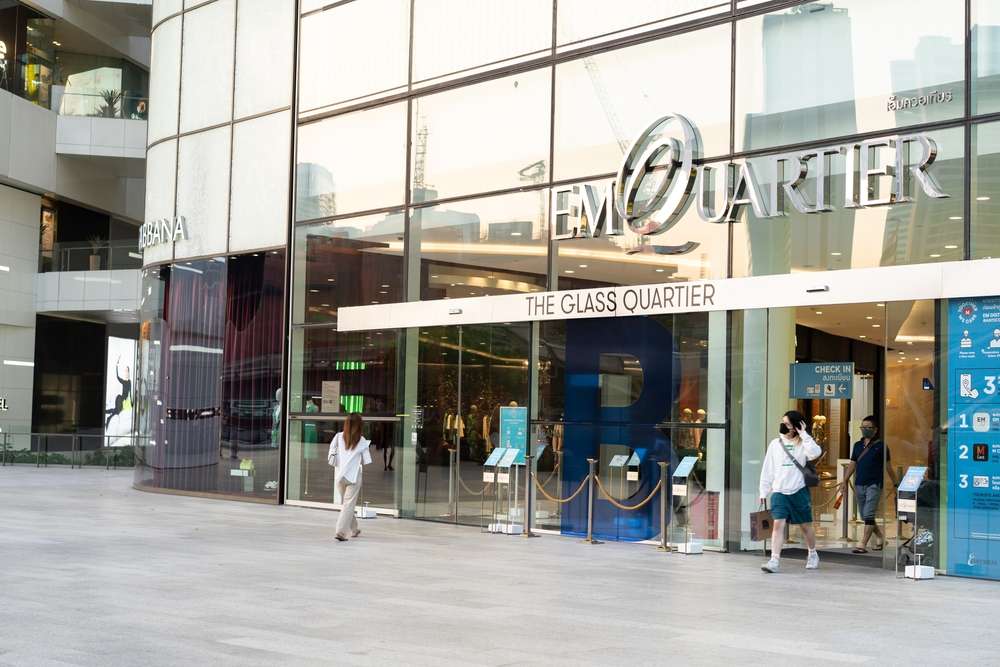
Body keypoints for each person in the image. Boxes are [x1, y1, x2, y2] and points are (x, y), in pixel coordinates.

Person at [759, 410, 823, 573]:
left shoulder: (803, 443)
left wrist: (805, 435)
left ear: (796, 426)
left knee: (805, 526)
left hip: (799, 490)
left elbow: (815, 454)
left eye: (787, 424)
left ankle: (812, 553)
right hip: (779, 491)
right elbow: (768, 469)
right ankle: (774, 560)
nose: (783, 426)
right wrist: (763, 491)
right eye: (783, 422)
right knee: (778, 524)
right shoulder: (775, 444)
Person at [838, 415, 899, 554]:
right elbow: (852, 463)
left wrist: (896, 483)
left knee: (869, 513)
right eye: (863, 427)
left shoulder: (881, 446)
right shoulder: (857, 445)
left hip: (874, 484)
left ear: (875, 430)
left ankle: (862, 543)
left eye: (868, 427)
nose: (865, 430)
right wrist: (845, 480)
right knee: (865, 515)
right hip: (859, 483)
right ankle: (881, 537)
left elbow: (888, 466)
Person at [327, 413, 373, 541]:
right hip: (353, 477)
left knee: (347, 505)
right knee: (348, 505)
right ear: (360, 426)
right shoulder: (362, 441)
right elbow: (366, 460)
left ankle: (355, 529)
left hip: (340, 477)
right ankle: (340, 532)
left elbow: (332, 453)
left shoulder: (338, 437)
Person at [105, 358, 131, 429]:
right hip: (120, 399)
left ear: (129, 372)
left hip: (123, 401)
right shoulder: (123, 381)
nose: (126, 372)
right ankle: (108, 417)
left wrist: (130, 402)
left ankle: (107, 416)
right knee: (116, 411)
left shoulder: (129, 382)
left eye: (127, 371)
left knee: (115, 411)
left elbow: (130, 393)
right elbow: (117, 377)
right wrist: (116, 366)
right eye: (125, 371)